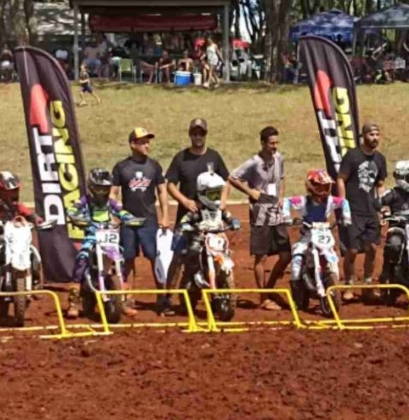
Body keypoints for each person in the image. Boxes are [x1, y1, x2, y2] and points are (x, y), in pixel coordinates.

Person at [164, 118, 232, 303]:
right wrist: (185, 201)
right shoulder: (181, 158)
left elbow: (226, 181)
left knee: (216, 252)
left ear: (206, 134)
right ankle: (167, 297)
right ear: (190, 135)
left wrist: (223, 201)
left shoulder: (214, 157)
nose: (198, 137)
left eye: (201, 133)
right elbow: (170, 184)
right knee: (178, 257)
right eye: (194, 133)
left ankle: (217, 293)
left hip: (211, 217)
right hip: (186, 217)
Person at [229, 126, 291, 311]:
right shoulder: (254, 163)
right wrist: (250, 192)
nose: (275, 147)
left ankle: (269, 287)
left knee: (286, 254)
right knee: (261, 256)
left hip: (276, 211)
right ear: (263, 143)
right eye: (271, 143)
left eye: (277, 143)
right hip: (260, 213)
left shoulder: (279, 158)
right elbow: (233, 177)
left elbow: (282, 177)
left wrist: (281, 197)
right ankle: (263, 298)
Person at [111, 127, 171, 314]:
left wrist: (165, 215)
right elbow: (113, 193)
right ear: (132, 144)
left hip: (149, 220)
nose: (147, 145)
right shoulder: (121, 167)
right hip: (128, 222)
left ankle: (162, 297)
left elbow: (162, 191)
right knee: (128, 258)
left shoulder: (154, 166)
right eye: (143, 142)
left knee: (155, 259)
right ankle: (128, 297)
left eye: (148, 142)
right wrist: (116, 215)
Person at [65, 168, 138, 319]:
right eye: (98, 188)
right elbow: (73, 209)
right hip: (92, 237)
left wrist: (130, 218)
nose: (101, 191)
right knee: (81, 259)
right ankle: (74, 302)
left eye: (104, 188)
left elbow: (121, 211)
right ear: (91, 186)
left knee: (120, 262)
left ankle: (124, 301)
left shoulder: (111, 203)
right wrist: (75, 217)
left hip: (109, 237)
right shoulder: (85, 201)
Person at [336, 122, 388, 302]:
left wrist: (382, 207)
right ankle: (349, 284)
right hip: (354, 210)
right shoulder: (352, 156)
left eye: (377, 134)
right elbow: (341, 179)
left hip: (371, 211)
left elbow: (380, 185)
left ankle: (367, 284)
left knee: (372, 248)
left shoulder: (380, 159)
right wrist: (343, 204)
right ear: (364, 135)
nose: (375, 138)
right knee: (352, 250)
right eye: (371, 134)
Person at [282, 170, 352, 290]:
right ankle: (296, 285)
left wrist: (346, 217)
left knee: (332, 256)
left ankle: (333, 281)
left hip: (324, 234)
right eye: (321, 186)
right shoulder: (304, 201)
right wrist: (286, 217)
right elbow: (287, 201)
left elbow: (344, 202)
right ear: (312, 186)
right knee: (297, 258)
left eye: (326, 186)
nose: (324, 189)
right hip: (307, 235)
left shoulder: (329, 200)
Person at [0, 171, 43, 292]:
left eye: (16, 190)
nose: (14, 193)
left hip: (18, 237)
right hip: (1, 236)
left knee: (32, 254)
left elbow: (30, 214)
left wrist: (38, 220)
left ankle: (35, 280)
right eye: (10, 191)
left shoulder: (17, 206)